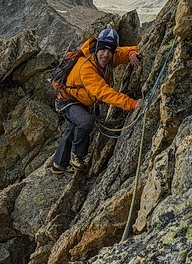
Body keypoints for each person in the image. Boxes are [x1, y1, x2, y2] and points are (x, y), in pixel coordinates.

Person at [51, 27, 141, 174]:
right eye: (103, 50)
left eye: (109, 51)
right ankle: (77, 156)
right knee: (85, 122)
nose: (105, 55)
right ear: (96, 48)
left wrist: (132, 53)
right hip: (68, 100)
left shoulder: (105, 57)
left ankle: (59, 164)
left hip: (81, 99)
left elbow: (122, 52)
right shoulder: (86, 67)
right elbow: (103, 92)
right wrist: (131, 103)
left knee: (74, 127)